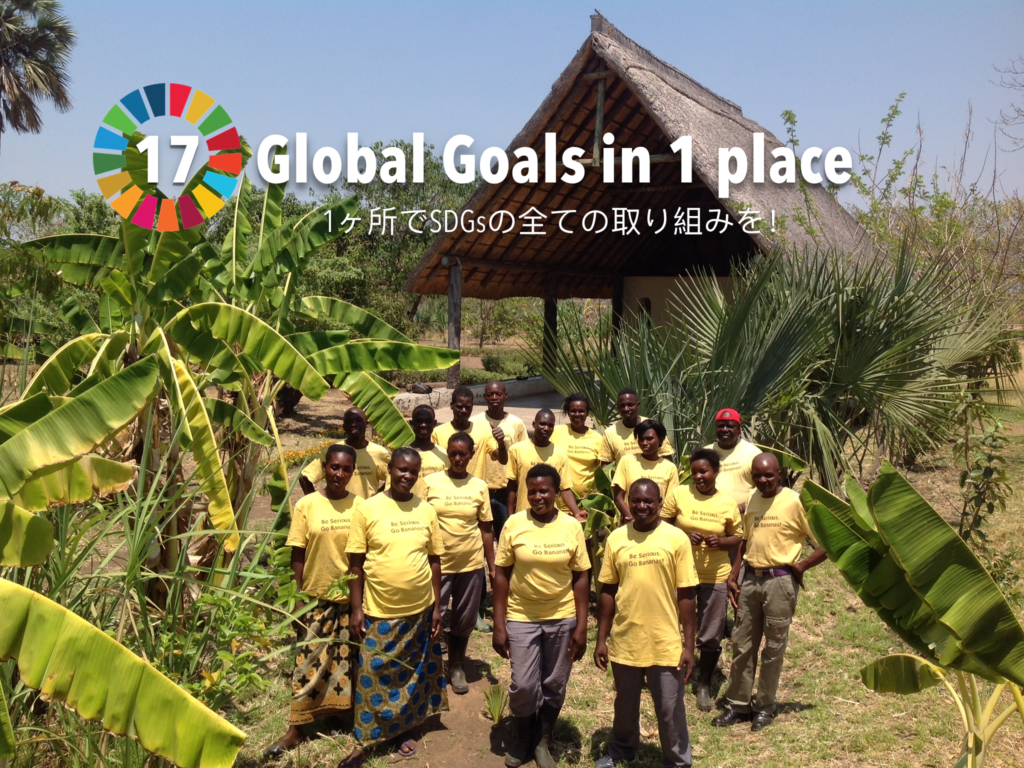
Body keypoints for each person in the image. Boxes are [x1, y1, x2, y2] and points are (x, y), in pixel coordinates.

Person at [341, 448, 448, 766]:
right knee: (373, 674)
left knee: (411, 674)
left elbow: (435, 560)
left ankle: (404, 728)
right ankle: (366, 739)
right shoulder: (368, 509)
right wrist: (356, 609)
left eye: (413, 472)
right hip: (380, 610)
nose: (407, 476)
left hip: (420, 609)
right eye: (402, 469)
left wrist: (437, 607)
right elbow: (355, 563)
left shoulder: (426, 510)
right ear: (389, 469)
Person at [712, 453, 827, 732]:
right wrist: (733, 575)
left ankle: (765, 706)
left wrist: (802, 565)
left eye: (769, 475)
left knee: (773, 648)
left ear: (779, 475)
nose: (763, 480)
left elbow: (827, 542)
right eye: (758, 475)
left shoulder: (794, 501)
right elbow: (744, 540)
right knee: (742, 644)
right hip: (751, 579)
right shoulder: (752, 498)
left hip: (779, 582)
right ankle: (739, 704)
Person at [264, 445, 362, 757]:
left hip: (349, 598)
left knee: (345, 664)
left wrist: (359, 605)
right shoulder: (307, 505)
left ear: (352, 471)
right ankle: (296, 729)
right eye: (334, 467)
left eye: (346, 469)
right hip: (315, 598)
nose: (339, 474)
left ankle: (336, 715)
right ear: (325, 468)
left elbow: (361, 559)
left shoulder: (360, 506)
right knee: (307, 663)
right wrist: (297, 601)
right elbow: (297, 554)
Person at [594, 479, 698, 768]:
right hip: (626, 638)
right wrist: (601, 640)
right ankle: (622, 750)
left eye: (648, 501)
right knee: (625, 704)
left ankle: (677, 761)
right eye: (636, 500)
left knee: (669, 708)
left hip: (664, 640)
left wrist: (689, 647)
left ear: (660, 503)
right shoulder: (616, 538)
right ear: (628, 502)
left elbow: (687, 594)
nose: (641, 506)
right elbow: (607, 591)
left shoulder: (676, 539)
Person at [492, 464, 590, 768]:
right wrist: (498, 624)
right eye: (532, 491)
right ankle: (523, 737)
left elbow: (581, 577)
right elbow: (501, 574)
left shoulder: (571, 527)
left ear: (557, 492)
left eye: (544, 491)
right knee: (523, 684)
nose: (538, 497)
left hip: (562, 616)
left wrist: (582, 626)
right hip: (522, 615)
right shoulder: (514, 524)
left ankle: (542, 740)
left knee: (554, 682)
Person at [662, 448, 742, 712]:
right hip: (680, 573)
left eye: (704, 472)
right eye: (694, 472)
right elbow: (662, 525)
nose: (698, 477)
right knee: (671, 624)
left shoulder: (727, 503)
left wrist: (722, 542)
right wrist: (684, 535)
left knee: (711, 631)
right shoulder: (679, 494)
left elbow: (738, 538)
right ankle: (671, 674)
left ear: (716, 472)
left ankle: (704, 684)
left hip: (714, 575)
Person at [422, 432, 494, 695]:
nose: (457, 458)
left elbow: (486, 528)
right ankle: (428, 669)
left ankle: (456, 667)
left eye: (463, 454)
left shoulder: (479, 486)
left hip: (470, 563)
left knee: (464, 620)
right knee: (432, 616)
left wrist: (491, 566)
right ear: (447, 453)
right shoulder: (430, 483)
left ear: (471, 454)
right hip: (437, 564)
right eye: (453, 453)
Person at [471, 381, 528, 539]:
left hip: (506, 490)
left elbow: (522, 455)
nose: (494, 397)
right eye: (490, 394)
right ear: (485, 397)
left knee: (506, 536)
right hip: (480, 488)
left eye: (498, 394)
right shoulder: (474, 422)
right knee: (480, 536)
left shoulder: (517, 423)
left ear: (505, 396)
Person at [506, 409, 586, 521]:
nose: (546, 428)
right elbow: (512, 487)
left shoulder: (560, 454)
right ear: (534, 424)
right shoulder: (516, 450)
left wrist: (576, 512)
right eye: (542, 424)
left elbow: (565, 489)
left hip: (550, 519)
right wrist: (510, 516)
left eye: (550, 425)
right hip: (524, 517)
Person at [301, 407, 390, 500]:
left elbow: (392, 478)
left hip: (366, 508)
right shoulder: (333, 451)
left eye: (359, 420)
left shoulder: (379, 453)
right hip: (338, 508)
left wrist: (377, 497)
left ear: (367, 424)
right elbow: (304, 478)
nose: (354, 424)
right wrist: (315, 503)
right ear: (344, 427)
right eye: (349, 421)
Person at [432, 385, 506, 482]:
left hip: (475, 488)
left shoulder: (483, 431)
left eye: (468, 407)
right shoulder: (437, 432)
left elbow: (503, 460)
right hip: (446, 487)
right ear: (451, 406)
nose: (464, 411)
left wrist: (501, 443)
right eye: (459, 407)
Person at [612, 419, 679, 524]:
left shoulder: (670, 468)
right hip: (630, 523)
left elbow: (670, 503)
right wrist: (632, 520)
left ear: (661, 439)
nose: (644, 443)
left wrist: (653, 522)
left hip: (658, 525)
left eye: (649, 439)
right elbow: (618, 497)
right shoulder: (626, 461)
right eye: (641, 439)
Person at [550, 393, 611, 501]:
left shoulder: (597, 439)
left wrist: (595, 491)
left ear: (587, 413)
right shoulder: (556, 432)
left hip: (585, 502)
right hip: (557, 501)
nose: (577, 414)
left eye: (581, 411)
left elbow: (604, 470)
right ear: (568, 412)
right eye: (573, 411)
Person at [705, 408, 760, 510]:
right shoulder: (706, 453)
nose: (725, 429)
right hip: (711, 515)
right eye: (721, 426)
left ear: (739, 430)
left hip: (744, 516)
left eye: (730, 426)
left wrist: (742, 508)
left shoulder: (754, 453)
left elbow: (763, 489)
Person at [602, 388, 674, 463]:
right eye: (622, 406)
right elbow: (605, 464)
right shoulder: (610, 433)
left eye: (630, 405)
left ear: (638, 405)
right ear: (617, 407)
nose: (626, 409)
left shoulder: (653, 427)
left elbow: (667, 458)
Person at [405, 404, 450, 498]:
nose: (423, 425)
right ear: (412, 423)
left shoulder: (444, 456)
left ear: (434, 423)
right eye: (419, 421)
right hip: (409, 506)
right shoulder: (403, 456)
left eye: (428, 421)